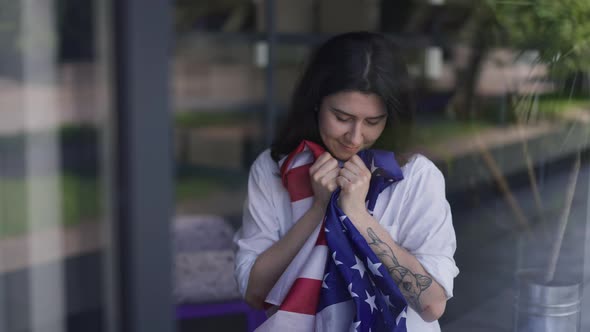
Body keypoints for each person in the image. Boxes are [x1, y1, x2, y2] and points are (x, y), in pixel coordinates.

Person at [233, 31, 459, 331]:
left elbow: (432, 305)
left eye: (372, 122)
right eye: (341, 117)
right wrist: (317, 209)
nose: (354, 137)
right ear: (316, 103)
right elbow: (255, 292)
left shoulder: (416, 176)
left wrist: (358, 216)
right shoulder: (276, 169)